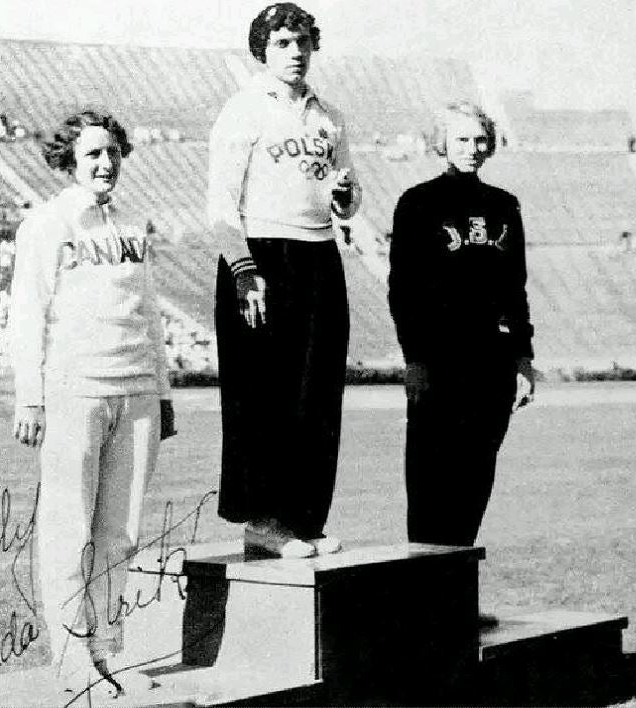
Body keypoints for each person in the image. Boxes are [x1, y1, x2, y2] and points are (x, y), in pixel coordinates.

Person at [8, 110, 174, 696]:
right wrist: (30, 398)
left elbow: (150, 314)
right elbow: (27, 314)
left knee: (121, 532)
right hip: (74, 392)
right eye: (92, 155)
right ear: (68, 162)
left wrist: (163, 390)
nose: (105, 164)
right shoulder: (48, 224)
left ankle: (111, 651)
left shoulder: (133, 224)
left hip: (135, 393)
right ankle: (72, 659)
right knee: (67, 528)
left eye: (112, 153)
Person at [207, 2, 361, 559]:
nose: (295, 53)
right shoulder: (242, 111)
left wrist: (344, 199)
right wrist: (245, 272)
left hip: (319, 253)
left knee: (316, 394)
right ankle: (263, 522)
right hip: (260, 258)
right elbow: (221, 205)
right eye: (281, 43)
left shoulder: (330, 116)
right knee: (263, 395)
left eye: (302, 42)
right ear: (262, 51)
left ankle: (304, 518)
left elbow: (349, 199)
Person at [388, 101, 535, 548]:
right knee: (431, 480)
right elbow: (403, 291)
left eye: (479, 140)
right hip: (439, 359)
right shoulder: (417, 203)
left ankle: (455, 599)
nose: (472, 148)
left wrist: (524, 360)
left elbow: (516, 287)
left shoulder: (504, 205)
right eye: (461, 140)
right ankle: (424, 599)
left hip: (490, 361)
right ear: (443, 144)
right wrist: (415, 360)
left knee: (476, 477)